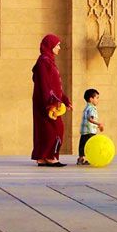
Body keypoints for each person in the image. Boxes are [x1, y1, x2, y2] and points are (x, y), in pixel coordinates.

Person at [31, 34, 72, 167]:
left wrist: (65, 100)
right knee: (56, 128)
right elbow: (44, 84)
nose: (59, 47)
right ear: (50, 46)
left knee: (45, 129)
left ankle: (42, 157)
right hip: (47, 102)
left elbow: (55, 85)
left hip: (49, 100)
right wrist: (51, 102)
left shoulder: (48, 60)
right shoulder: (44, 61)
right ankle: (51, 157)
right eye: (57, 45)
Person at [77, 88, 103, 165]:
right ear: (91, 99)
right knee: (90, 146)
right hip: (89, 131)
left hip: (85, 130)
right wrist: (99, 124)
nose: (98, 100)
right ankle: (87, 159)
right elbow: (90, 118)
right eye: (97, 98)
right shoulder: (92, 108)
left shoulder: (87, 107)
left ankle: (81, 159)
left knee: (83, 145)